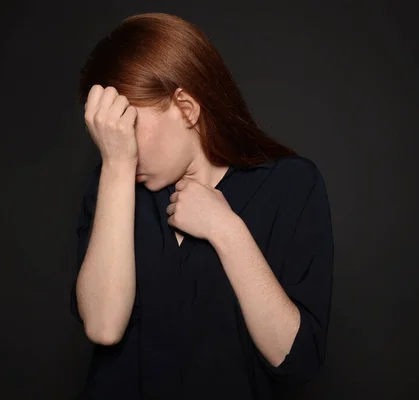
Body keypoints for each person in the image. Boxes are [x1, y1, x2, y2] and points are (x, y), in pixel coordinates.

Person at [72, 12, 334, 400]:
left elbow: (294, 359)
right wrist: (116, 166)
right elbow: (103, 327)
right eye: (109, 131)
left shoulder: (290, 185)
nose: (119, 142)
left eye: (128, 126)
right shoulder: (113, 182)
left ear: (186, 107)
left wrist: (227, 230)